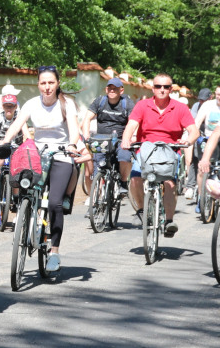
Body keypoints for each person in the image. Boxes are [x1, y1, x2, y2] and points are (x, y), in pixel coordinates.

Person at [0, 66, 84, 273]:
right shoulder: (31, 103)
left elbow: (74, 130)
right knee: (24, 186)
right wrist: (5, 140)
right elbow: (17, 123)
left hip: (62, 154)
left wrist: (72, 145)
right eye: (43, 83)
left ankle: (54, 251)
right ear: (38, 84)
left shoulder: (67, 104)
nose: (47, 87)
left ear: (57, 83)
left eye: (51, 83)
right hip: (36, 154)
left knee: (54, 202)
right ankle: (25, 215)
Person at [121, 73, 197, 237]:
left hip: (170, 150)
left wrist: (188, 141)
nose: (162, 90)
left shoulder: (180, 108)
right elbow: (131, 125)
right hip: (146, 149)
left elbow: (194, 131)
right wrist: (126, 139)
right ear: (153, 88)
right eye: (158, 86)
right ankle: (141, 210)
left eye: (166, 87)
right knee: (135, 177)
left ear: (171, 89)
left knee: (169, 183)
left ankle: (169, 221)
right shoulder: (143, 105)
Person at [79, 77, 134, 197]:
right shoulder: (100, 101)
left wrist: (130, 138)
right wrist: (87, 136)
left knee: (125, 157)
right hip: (101, 139)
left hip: (120, 139)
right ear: (106, 89)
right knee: (98, 168)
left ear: (121, 90)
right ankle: (95, 201)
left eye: (115, 88)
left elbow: (133, 122)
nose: (112, 90)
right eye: (110, 88)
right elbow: (87, 119)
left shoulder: (127, 103)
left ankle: (123, 182)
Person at [193, 84, 220, 210]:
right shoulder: (208, 105)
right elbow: (197, 122)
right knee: (202, 167)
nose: (219, 97)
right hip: (208, 138)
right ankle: (201, 196)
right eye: (218, 94)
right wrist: (194, 134)